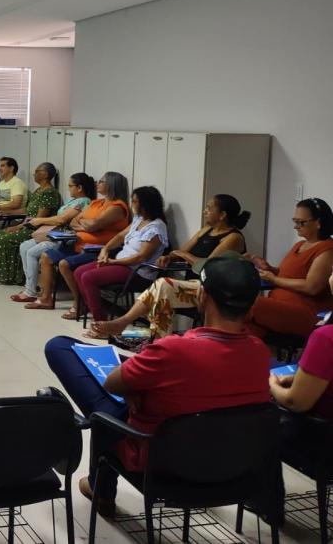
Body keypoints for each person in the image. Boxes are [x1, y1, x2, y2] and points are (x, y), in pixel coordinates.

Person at [45, 256, 270, 515]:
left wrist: (133, 387)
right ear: (252, 305)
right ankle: (100, 487)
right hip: (228, 463)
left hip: (158, 461)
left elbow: (113, 383)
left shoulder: (174, 349)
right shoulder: (260, 353)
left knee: (63, 352)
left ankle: (101, 489)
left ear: (202, 297)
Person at [85, 194, 250, 339]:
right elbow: (181, 250)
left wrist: (183, 255)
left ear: (222, 215)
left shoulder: (233, 237)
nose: (204, 211)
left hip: (214, 290)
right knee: (162, 291)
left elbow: (207, 266)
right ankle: (156, 338)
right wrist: (168, 256)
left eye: (209, 208)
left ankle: (126, 325)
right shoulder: (206, 230)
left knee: (163, 285)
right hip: (196, 286)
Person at [28, 172, 130, 316]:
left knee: (64, 264)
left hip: (97, 250)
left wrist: (88, 225)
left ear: (112, 185)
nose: (97, 184)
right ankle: (46, 299)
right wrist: (87, 225)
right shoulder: (96, 203)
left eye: (101, 181)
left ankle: (79, 303)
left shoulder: (118, 207)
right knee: (46, 257)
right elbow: (74, 221)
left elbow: (94, 225)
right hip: (78, 244)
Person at [72, 186, 169, 323]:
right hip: (121, 263)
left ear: (145, 204)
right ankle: (94, 308)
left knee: (88, 277)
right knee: (78, 272)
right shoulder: (138, 219)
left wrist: (112, 262)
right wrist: (105, 249)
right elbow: (121, 235)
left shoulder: (156, 227)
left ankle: (101, 322)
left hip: (138, 271)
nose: (132, 205)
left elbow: (141, 257)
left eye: (135, 202)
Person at [244, 197, 333, 339]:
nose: (296, 226)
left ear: (318, 223)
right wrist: (269, 268)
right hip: (280, 306)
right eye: (295, 221)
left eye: (301, 222)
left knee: (246, 302)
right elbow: (286, 275)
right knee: (246, 329)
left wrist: (273, 278)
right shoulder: (299, 245)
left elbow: (312, 287)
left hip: (307, 312)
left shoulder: (327, 249)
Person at [12, 173, 96, 304]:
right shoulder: (72, 201)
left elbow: (62, 219)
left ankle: (30, 292)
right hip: (54, 233)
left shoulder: (84, 202)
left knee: (32, 252)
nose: (68, 189)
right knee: (24, 246)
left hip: (65, 239)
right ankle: (31, 286)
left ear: (79, 188)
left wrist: (39, 220)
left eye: (70, 186)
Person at [0, 163, 61, 284]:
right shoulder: (38, 190)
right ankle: (7, 274)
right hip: (27, 225)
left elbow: (38, 219)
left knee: (3, 239)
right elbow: (28, 212)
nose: (34, 174)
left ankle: (16, 276)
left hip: (36, 229)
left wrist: (17, 227)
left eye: (37, 171)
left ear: (45, 174)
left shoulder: (49, 193)